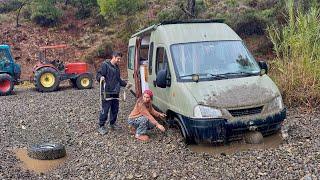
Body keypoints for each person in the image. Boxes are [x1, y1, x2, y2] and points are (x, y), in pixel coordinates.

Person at [96, 51, 129, 135]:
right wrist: (101, 78)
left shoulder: (117, 67)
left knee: (115, 109)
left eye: (120, 59)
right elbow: (98, 75)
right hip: (106, 91)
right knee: (105, 109)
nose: (119, 60)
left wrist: (126, 84)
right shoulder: (105, 65)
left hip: (115, 91)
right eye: (118, 59)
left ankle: (112, 124)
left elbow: (118, 80)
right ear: (113, 57)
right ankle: (101, 126)